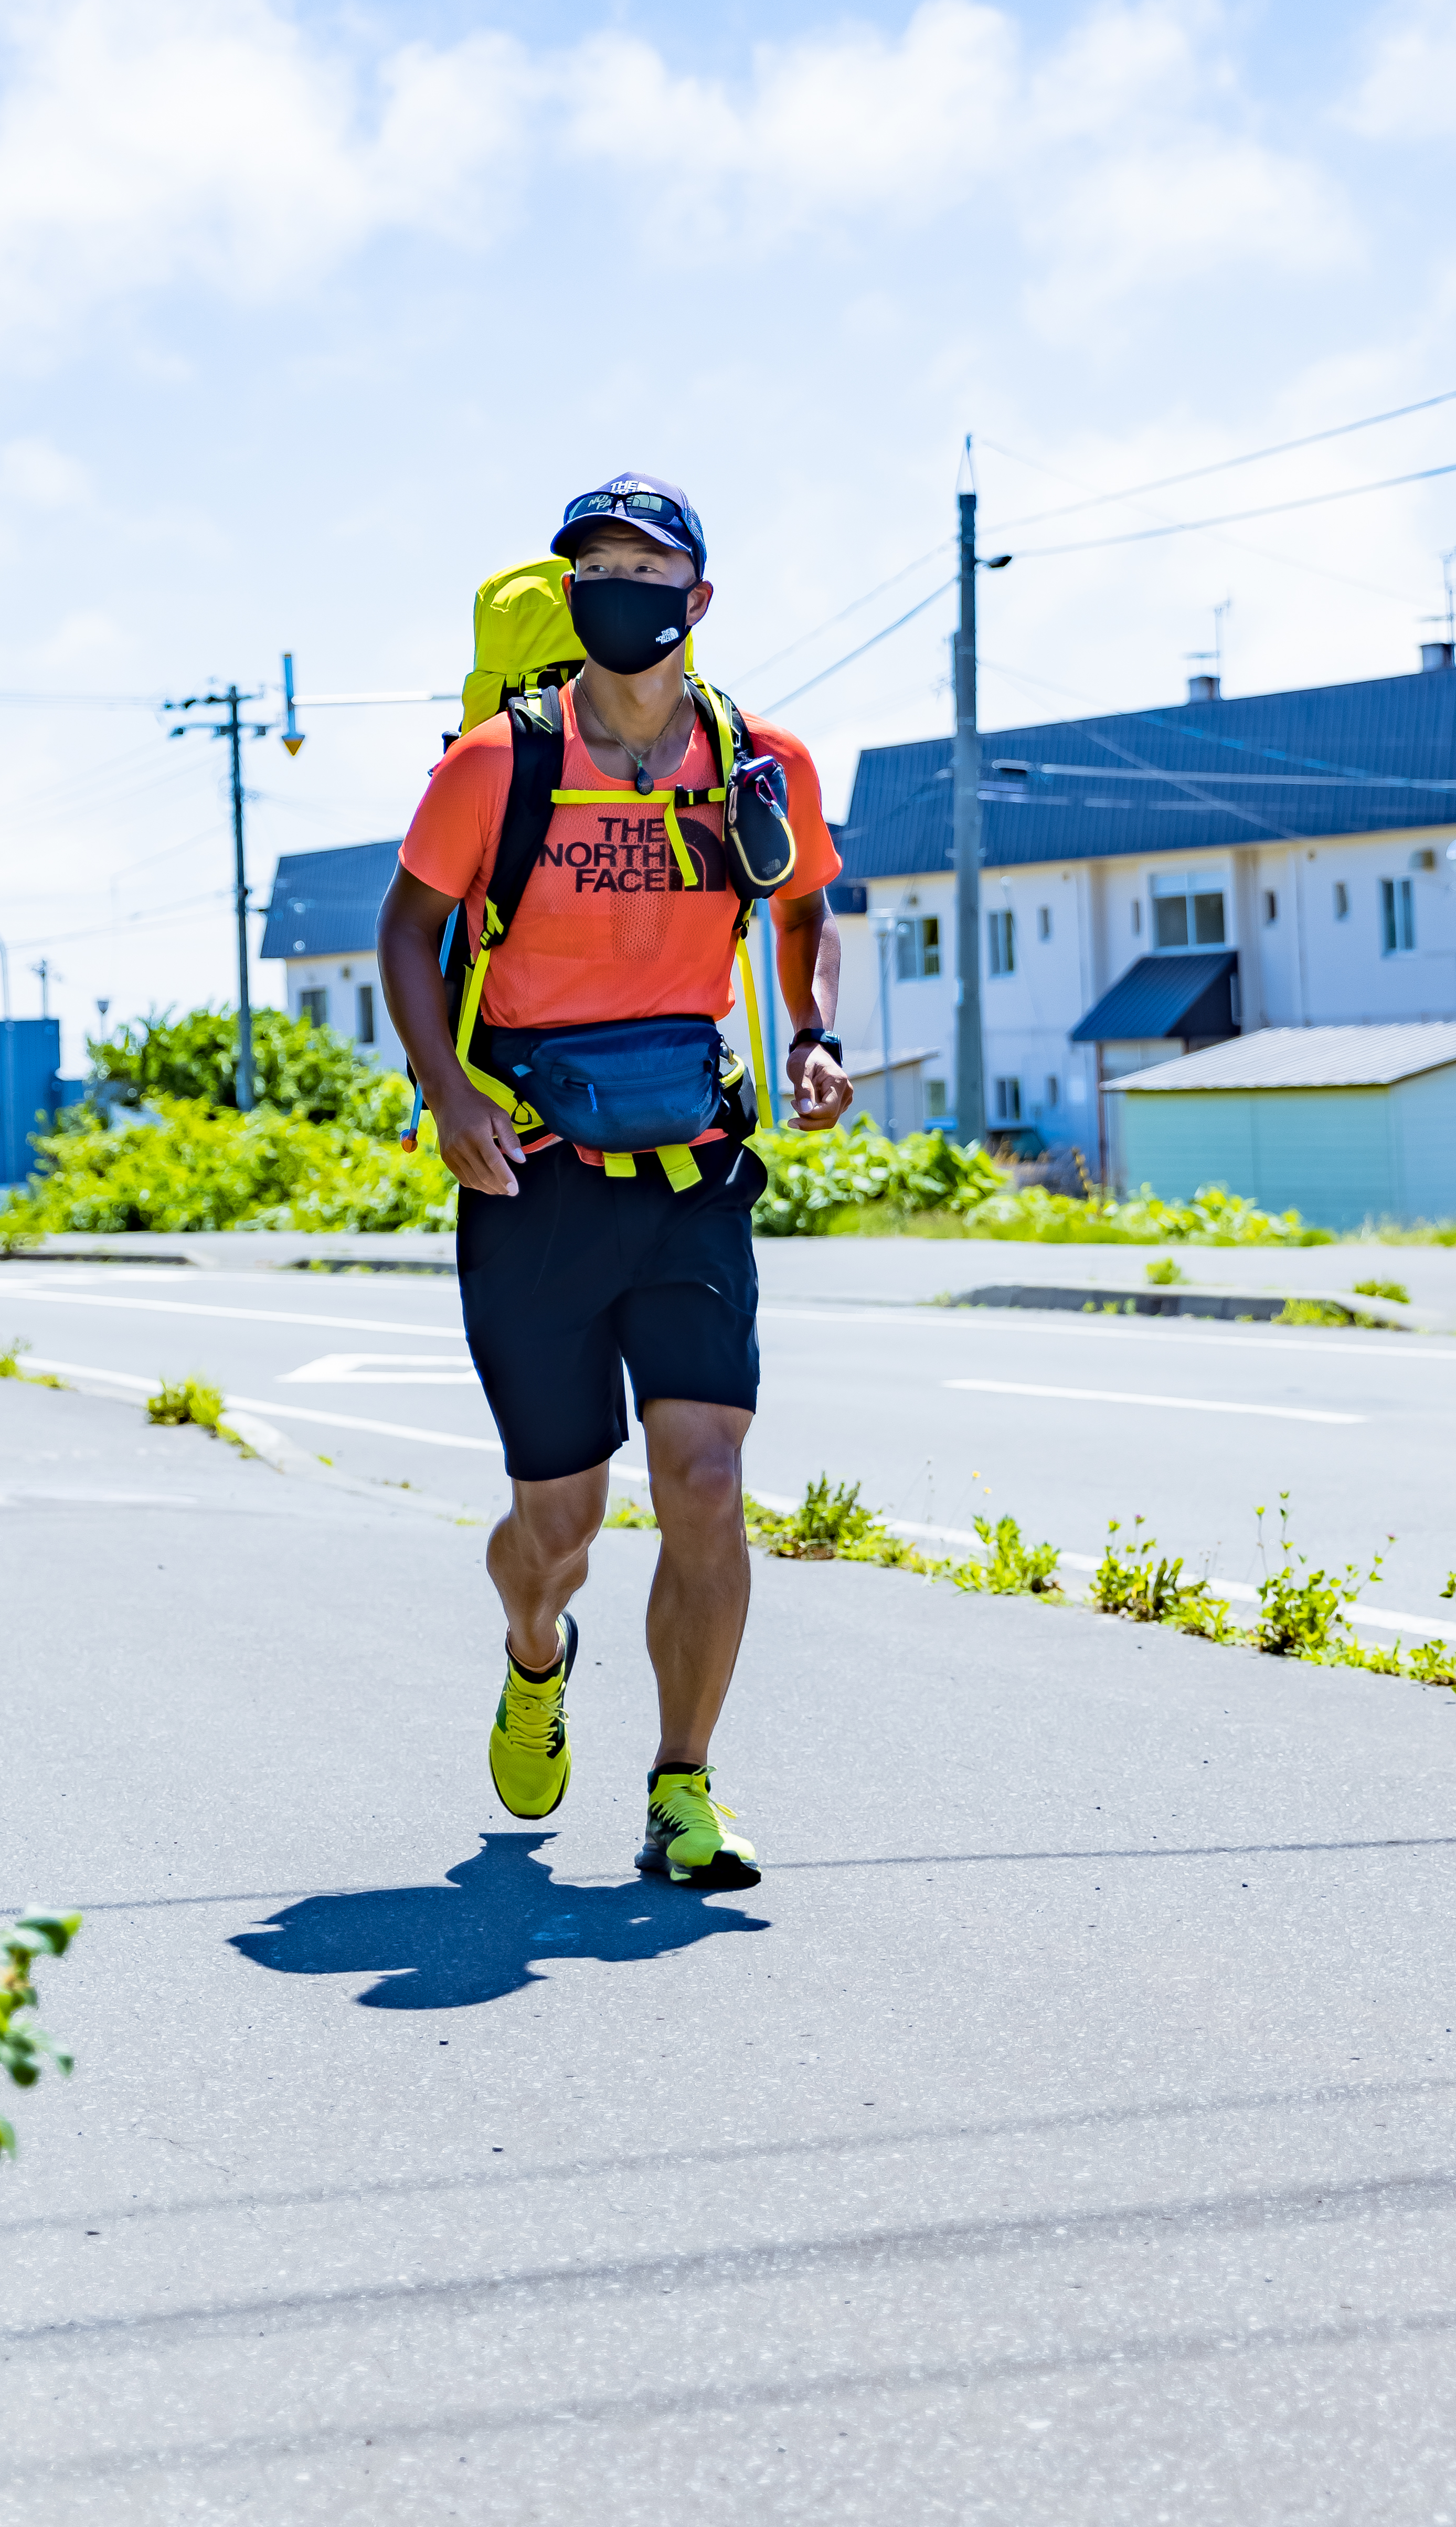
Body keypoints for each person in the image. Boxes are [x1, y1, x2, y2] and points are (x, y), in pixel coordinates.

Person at [377, 473, 851, 1891]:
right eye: (591, 568)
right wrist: (445, 1092)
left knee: (704, 1475)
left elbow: (805, 902)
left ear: (695, 600)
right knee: (558, 1530)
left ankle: (682, 1791)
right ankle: (536, 1652)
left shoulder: (756, 762)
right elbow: (406, 930)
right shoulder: (494, 765)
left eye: (645, 567)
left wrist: (817, 1032)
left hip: (690, 1164)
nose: (617, 588)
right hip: (531, 1174)